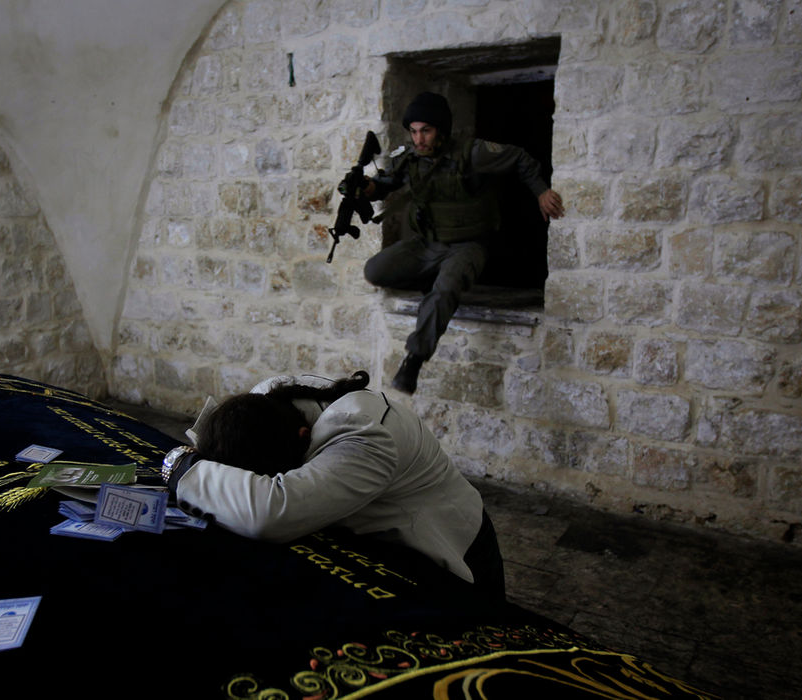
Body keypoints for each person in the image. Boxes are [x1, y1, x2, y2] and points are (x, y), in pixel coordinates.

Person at [160, 371, 505, 596]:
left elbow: (271, 512)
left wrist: (180, 464)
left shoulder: (365, 436)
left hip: (451, 545)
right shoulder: (265, 400)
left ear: (304, 437)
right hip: (373, 532)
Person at [357, 92, 566, 394]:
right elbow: (386, 184)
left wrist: (541, 191)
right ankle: (431, 276)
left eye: (426, 131)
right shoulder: (409, 158)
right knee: (375, 271)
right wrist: (366, 187)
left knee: (444, 292)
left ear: (441, 130)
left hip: (467, 245)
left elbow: (520, 158)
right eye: (413, 131)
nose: (419, 139)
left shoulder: (472, 153)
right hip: (426, 244)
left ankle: (414, 359)